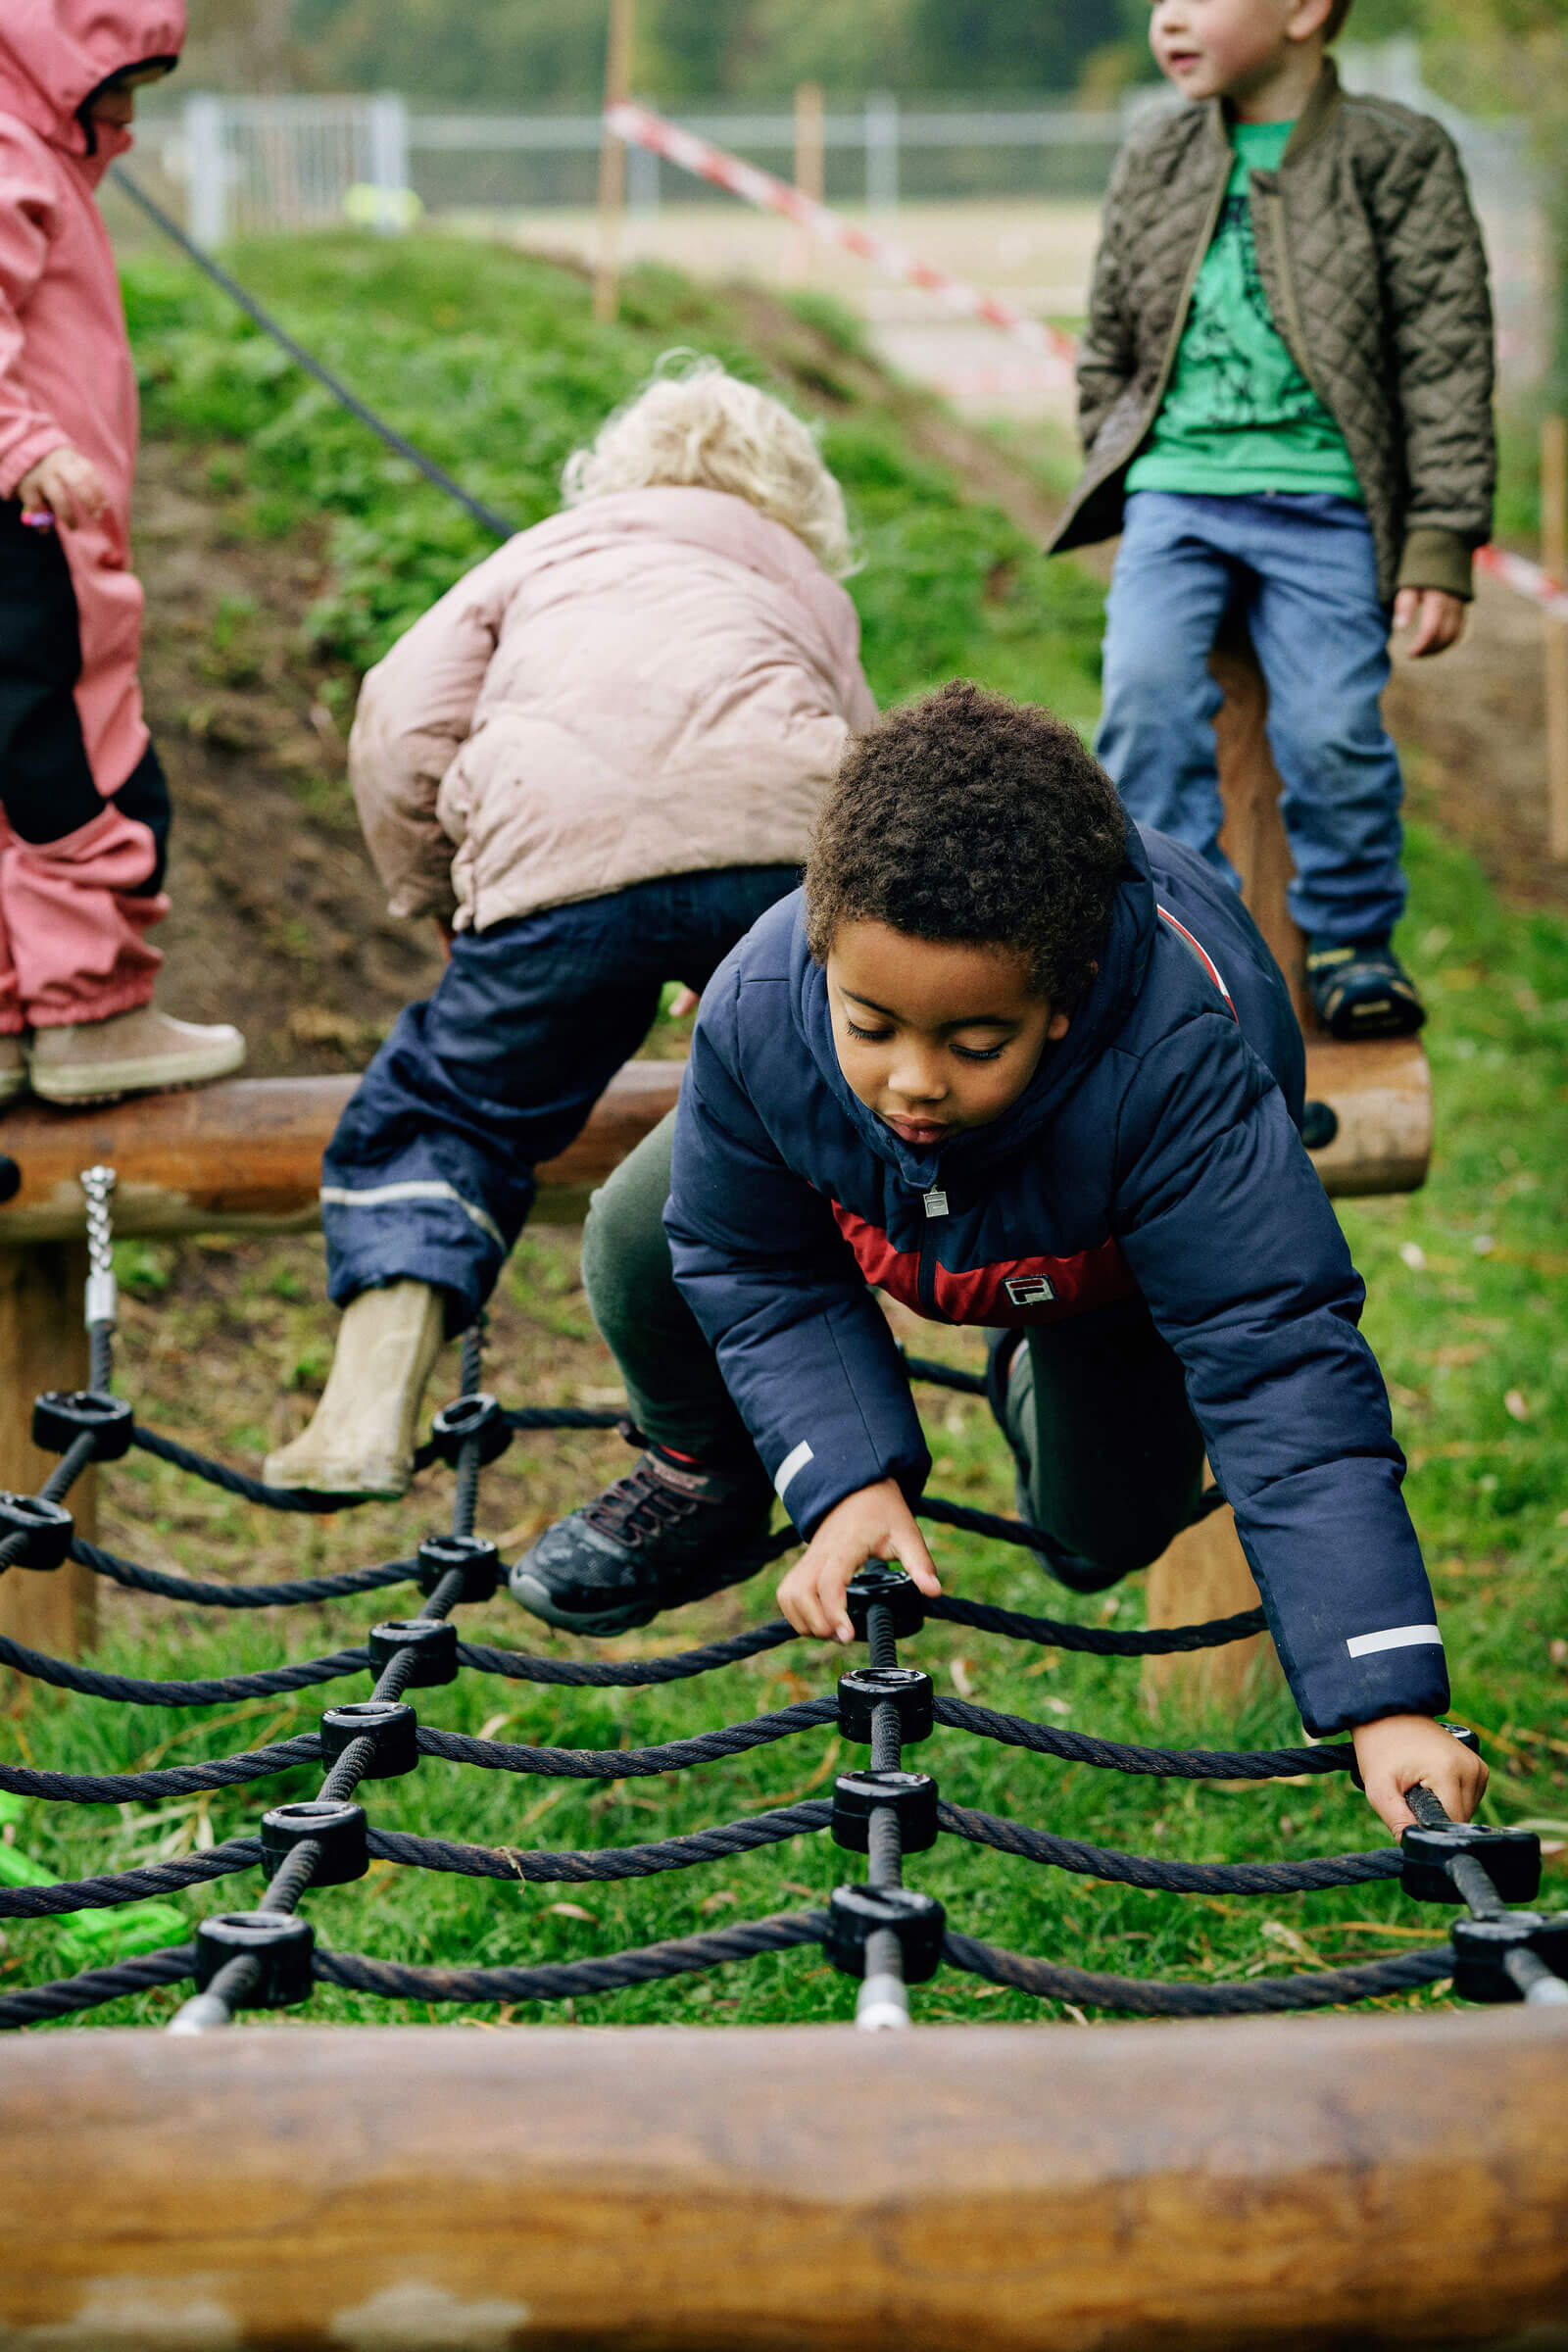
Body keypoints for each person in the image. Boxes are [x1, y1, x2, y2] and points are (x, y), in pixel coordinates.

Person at [517, 683, 1483, 1838]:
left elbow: (1278, 1364)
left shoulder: (1178, 1070)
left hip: (1098, 1264)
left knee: (1099, 1540)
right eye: (870, 1025)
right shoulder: (764, 1004)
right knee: (643, 1228)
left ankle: (1033, 1371)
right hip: (874, 1197)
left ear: (1062, 1002)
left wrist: (1387, 1696)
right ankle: (708, 1478)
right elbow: (752, 1260)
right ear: (824, 955)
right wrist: (844, 1478)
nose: (915, 1080)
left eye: (973, 1043)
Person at [265, 357, 877, 1500]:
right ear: (797, 498)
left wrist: (449, 896)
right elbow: (867, 764)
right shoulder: (797, 580)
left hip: (556, 862)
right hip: (781, 860)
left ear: (613, 471)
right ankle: (807, 1418)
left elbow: (400, 724)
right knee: (824, 1096)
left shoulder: (540, 554)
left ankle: (362, 1409)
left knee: (446, 1110)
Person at [1049, 0, 1494, 1041]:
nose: (1168, 17)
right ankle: (1171, 935)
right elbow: (1107, 329)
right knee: (1145, 701)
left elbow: (1444, 356)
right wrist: (1110, 451)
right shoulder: (1154, 149)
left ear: (1303, 9)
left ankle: (1350, 942)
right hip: (1178, 490)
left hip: (1327, 500)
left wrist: (1438, 541)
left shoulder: (1397, 154)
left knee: (1333, 726)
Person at [0, 1, 245, 1103]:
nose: (133, 117)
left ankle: (17, 1015)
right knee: (85, 759)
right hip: (37, 516)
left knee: (20, 763)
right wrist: (25, 442)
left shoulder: (31, 140)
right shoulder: (12, 144)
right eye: (125, 83)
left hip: (32, 503)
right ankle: (91, 1012)